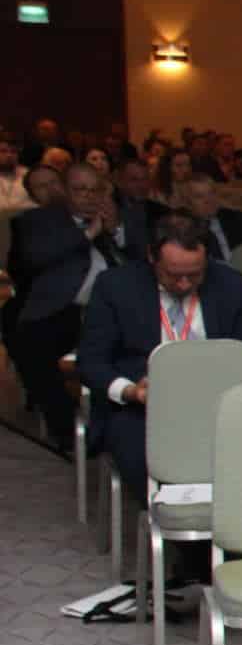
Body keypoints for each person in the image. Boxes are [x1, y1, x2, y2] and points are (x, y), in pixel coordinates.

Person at [77, 212, 242, 489]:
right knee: (142, 455)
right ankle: (166, 511)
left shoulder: (231, 285)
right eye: (173, 275)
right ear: (152, 257)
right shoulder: (115, 287)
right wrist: (131, 391)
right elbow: (91, 362)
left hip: (219, 404)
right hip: (142, 408)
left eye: (194, 275)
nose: (184, 284)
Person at [3, 166, 129, 448]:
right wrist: (88, 234)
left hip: (116, 310)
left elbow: (145, 257)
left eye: (95, 190)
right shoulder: (39, 221)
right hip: (65, 308)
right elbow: (35, 256)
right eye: (79, 190)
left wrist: (117, 231)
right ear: (64, 191)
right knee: (31, 346)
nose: (88, 197)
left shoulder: (120, 215)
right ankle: (68, 429)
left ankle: (120, 425)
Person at [172, 173, 242, 265]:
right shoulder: (184, 232)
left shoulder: (240, 219)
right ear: (187, 203)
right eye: (199, 196)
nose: (209, 200)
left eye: (212, 193)